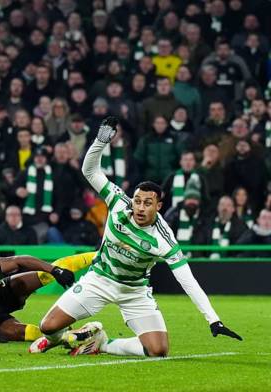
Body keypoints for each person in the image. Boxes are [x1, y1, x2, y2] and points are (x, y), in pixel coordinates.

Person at [30, 117, 241, 358]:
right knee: (48, 327)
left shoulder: (163, 239)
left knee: (158, 350)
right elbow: (89, 170)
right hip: (99, 279)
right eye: (137, 201)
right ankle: (63, 338)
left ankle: (102, 342)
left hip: (134, 291)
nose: (140, 207)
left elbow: (188, 281)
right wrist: (100, 141)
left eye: (147, 203)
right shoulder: (119, 203)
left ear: (159, 206)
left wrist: (213, 319)